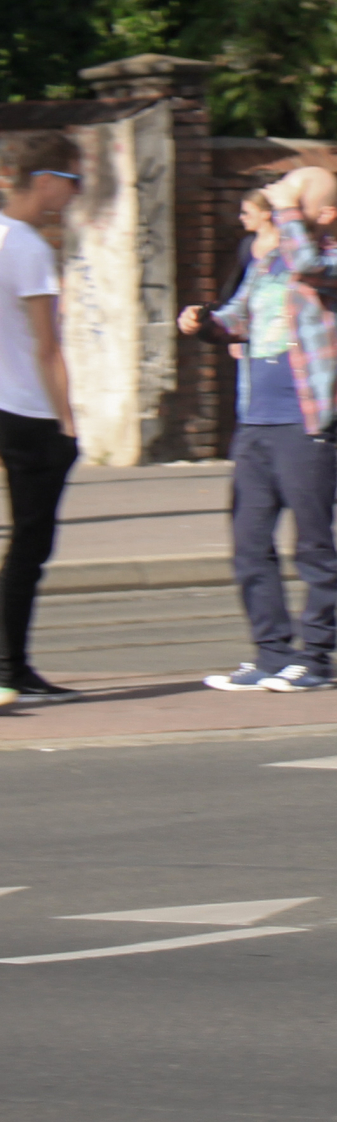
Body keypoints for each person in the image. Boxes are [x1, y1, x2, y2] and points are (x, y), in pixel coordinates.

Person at [178, 164, 337, 692]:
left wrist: (283, 208)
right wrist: (206, 322)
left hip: (304, 422)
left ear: (323, 215)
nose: (282, 210)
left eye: (296, 203)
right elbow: (239, 317)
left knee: (313, 545)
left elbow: (307, 262)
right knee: (249, 542)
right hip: (255, 422)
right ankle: (272, 654)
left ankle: (317, 660)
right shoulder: (267, 264)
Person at [0, 132, 85, 707]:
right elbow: (47, 346)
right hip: (27, 412)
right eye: (73, 183)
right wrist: (70, 427)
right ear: (48, 180)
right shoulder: (28, 246)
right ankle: (12, 668)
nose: (74, 196)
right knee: (30, 545)